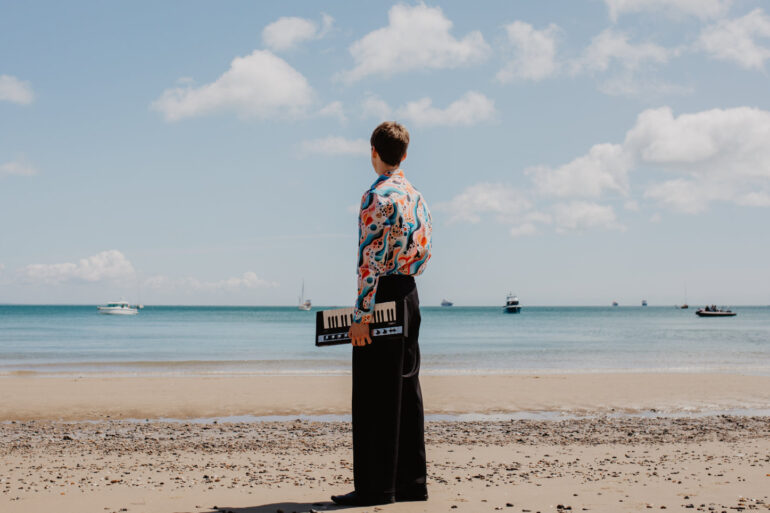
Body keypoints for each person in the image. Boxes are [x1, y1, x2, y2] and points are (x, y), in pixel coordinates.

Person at [331, 121, 432, 507]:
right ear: (404, 154)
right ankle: (412, 482)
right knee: (407, 387)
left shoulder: (375, 197)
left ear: (373, 151)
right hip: (409, 292)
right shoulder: (417, 196)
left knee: (374, 392)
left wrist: (362, 314)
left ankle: (376, 488)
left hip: (383, 294)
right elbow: (424, 251)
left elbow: (369, 262)